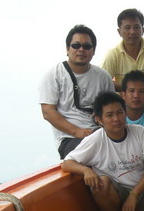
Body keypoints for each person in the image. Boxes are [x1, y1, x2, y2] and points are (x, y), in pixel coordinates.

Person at [62, 92, 144, 211]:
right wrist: (86, 170)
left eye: (120, 112)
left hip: (143, 191)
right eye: (109, 115)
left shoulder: (139, 131)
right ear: (99, 119)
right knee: (100, 183)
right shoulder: (95, 139)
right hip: (118, 198)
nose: (116, 119)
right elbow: (67, 163)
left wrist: (134, 194)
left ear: (125, 113)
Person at [39, 24, 115, 159]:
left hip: (101, 133)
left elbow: (112, 108)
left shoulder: (103, 77)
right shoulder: (54, 74)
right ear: (67, 49)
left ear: (94, 50)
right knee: (94, 156)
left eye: (87, 46)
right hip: (69, 138)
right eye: (76, 45)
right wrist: (77, 131)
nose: (81, 50)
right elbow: (48, 112)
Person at [102, 8, 144, 109]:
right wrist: (128, 86)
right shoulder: (113, 54)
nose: (132, 32)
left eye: (136, 27)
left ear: (143, 30)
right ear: (119, 31)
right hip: (125, 108)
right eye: (127, 28)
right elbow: (102, 81)